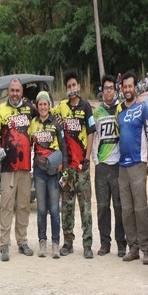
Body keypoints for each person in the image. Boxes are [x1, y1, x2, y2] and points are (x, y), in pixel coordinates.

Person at [0, 77, 37, 261]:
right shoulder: (1, 110)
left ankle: (22, 241)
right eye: (12, 90)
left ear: (22, 92)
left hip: (26, 167)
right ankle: (4, 245)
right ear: (8, 92)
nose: (15, 94)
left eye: (18, 91)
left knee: (23, 205)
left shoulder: (29, 109)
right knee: (7, 205)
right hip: (8, 167)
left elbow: (43, 114)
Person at [52, 69, 96, 259]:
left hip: (82, 167)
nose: (72, 89)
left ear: (78, 86)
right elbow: (46, 112)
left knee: (85, 207)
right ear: (66, 89)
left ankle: (87, 245)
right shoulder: (61, 106)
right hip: (67, 167)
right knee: (67, 207)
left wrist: (87, 158)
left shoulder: (86, 107)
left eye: (74, 85)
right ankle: (68, 242)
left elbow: (91, 132)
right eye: (68, 86)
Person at [115, 70, 148, 265]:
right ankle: (133, 248)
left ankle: (147, 249)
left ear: (135, 87)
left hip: (138, 164)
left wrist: (147, 158)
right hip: (122, 165)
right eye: (125, 86)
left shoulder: (143, 108)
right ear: (122, 89)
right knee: (127, 210)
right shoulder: (119, 110)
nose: (128, 89)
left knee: (140, 208)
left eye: (131, 86)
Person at [29, 91, 68, 259]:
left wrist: (64, 168)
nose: (43, 107)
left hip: (54, 172)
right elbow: (28, 145)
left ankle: (55, 244)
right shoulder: (33, 124)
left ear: (49, 106)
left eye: (45, 104)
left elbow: (64, 147)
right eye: (40, 104)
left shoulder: (56, 124)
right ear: (37, 107)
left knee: (54, 209)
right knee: (41, 209)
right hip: (39, 171)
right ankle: (42, 243)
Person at [92, 74, 126, 257]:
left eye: (111, 88)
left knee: (119, 206)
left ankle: (122, 243)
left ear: (115, 90)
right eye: (106, 88)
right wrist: (95, 160)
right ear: (102, 90)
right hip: (102, 166)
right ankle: (105, 243)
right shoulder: (96, 112)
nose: (109, 91)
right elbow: (93, 135)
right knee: (103, 206)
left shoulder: (121, 109)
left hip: (118, 165)